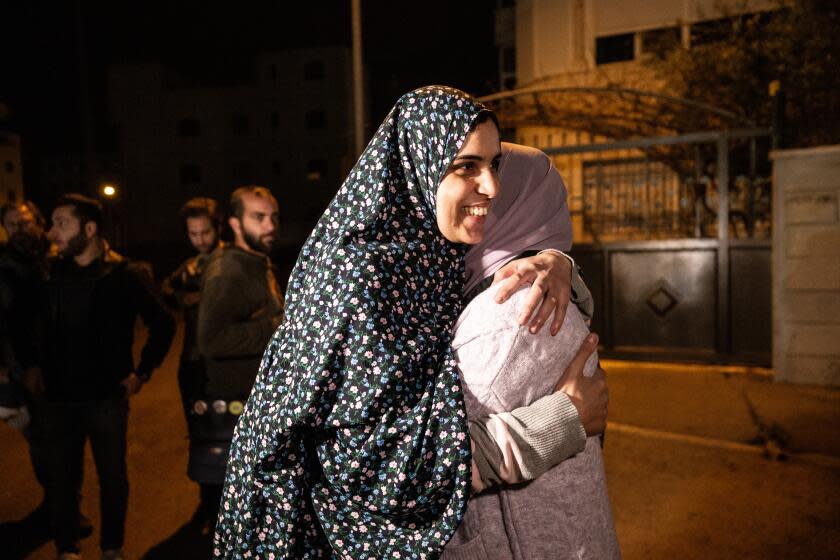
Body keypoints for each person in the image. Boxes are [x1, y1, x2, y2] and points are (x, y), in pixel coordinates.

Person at [213, 86, 601, 559]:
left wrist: (557, 261)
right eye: (466, 166)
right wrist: (559, 422)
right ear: (417, 164)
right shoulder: (361, 274)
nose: (493, 188)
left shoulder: (426, 257)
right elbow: (378, 473)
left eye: (495, 164)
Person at [443, 143, 619, 558]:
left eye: (497, 176)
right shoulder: (543, 288)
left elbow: (435, 462)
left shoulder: (510, 315)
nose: (486, 189)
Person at [20, 193, 175, 560]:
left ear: (89, 229)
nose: (51, 231)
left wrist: (143, 372)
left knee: (113, 479)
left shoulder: (124, 274)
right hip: (57, 398)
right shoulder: (47, 273)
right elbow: (18, 321)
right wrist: (30, 364)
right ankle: (67, 547)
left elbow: (164, 323)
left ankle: (111, 547)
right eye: (52, 222)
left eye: (61, 223)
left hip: (106, 397)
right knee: (61, 479)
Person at [195, 186, 284, 527]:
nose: (270, 225)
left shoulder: (255, 260)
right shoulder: (228, 271)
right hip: (235, 406)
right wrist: (277, 327)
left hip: (256, 403)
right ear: (235, 223)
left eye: (273, 216)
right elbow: (210, 339)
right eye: (258, 217)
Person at [161, 197, 226, 529]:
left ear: (219, 228)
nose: (200, 239)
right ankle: (207, 503)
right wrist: (179, 296)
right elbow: (166, 288)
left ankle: (226, 508)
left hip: (223, 367)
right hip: (191, 365)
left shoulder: (233, 261)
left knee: (226, 437)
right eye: (193, 233)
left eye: (205, 232)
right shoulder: (189, 266)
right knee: (200, 437)